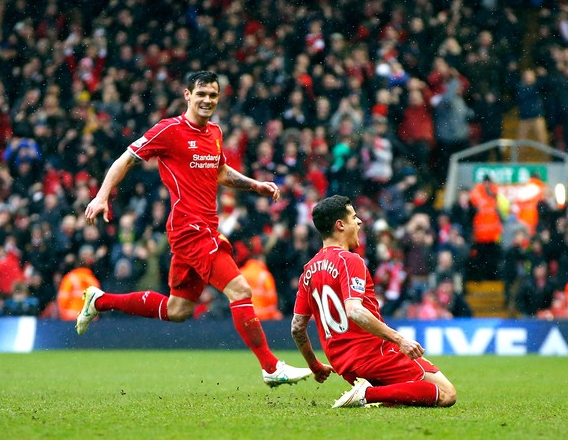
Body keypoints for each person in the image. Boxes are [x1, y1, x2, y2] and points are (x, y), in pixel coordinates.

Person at [79, 71, 310, 386]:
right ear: (187, 95)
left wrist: (255, 185)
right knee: (240, 290)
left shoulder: (214, 131)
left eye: (213, 95)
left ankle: (99, 301)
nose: (207, 100)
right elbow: (125, 159)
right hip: (190, 229)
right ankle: (271, 367)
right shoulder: (169, 130)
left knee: (178, 310)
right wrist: (102, 196)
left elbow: (221, 171)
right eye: (201, 94)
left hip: (204, 229)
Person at [290, 195, 456, 408]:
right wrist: (400, 340)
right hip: (374, 355)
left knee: (401, 398)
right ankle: (367, 394)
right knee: (446, 394)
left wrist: (315, 366)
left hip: (344, 364)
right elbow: (354, 311)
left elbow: (297, 328)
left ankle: (373, 393)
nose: (359, 222)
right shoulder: (349, 260)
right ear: (340, 225)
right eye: (354, 217)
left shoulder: (308, 271)